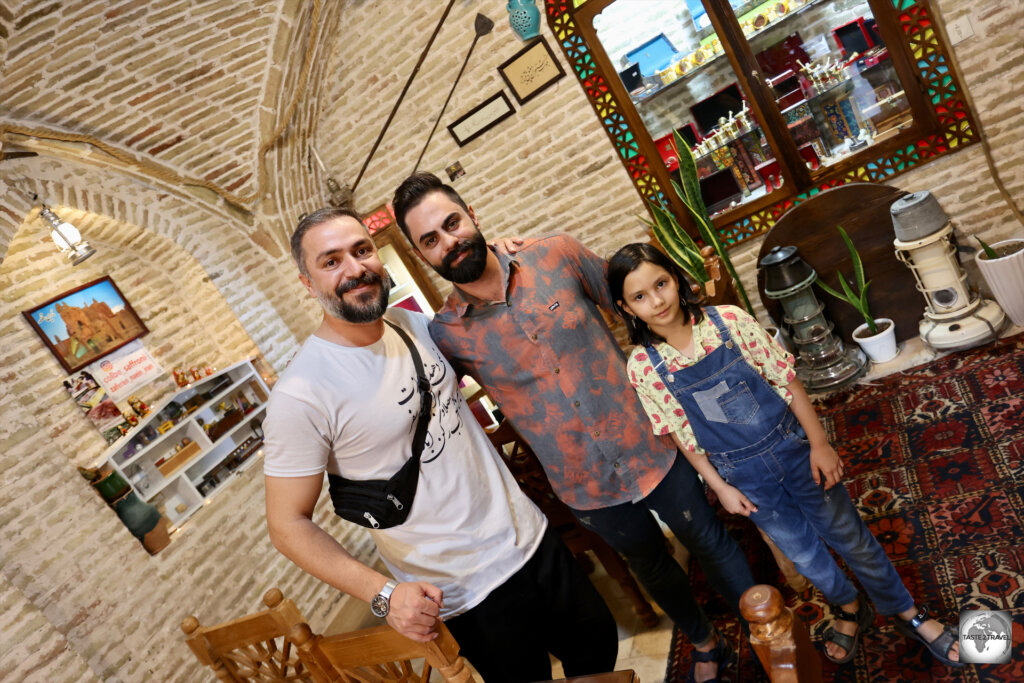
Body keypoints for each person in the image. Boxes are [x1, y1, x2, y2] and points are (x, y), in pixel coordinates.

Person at [392, 173, 757, 683]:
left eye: (452, 223)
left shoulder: (555, 255)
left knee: (708, 539)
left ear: (471, 213)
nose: (449, 242)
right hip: (585, 486)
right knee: (651, 565)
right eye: (430, 240)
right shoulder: (447, 334)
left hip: (650, 441)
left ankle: (762, 625)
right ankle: (703, 639)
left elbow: (634, 307)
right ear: (420, 254)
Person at [262, 207, 618, 683]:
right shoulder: (301, 393)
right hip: (460, 590)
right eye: (331, 261)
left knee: (597, 652)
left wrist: (505, 255)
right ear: (307, 283)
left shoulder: (412, 326)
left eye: (361, 250)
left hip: (529, 539)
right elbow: (287, 525)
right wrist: (384, 595)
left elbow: (489, 319)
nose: (354, 268)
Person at [607, 241, 963, 667]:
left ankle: (906, 611)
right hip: (744, 480)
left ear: (677, 280)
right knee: (805, 555)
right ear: (625, 308)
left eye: (661, 283)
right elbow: (682, 436)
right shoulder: (644, 367)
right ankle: (850, 608)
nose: (657, 300)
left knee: (851, 538)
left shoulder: (729, 323)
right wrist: (719, 488)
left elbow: (789, 383)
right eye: (640, 296)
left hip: (793, 451)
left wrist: (820, 444)